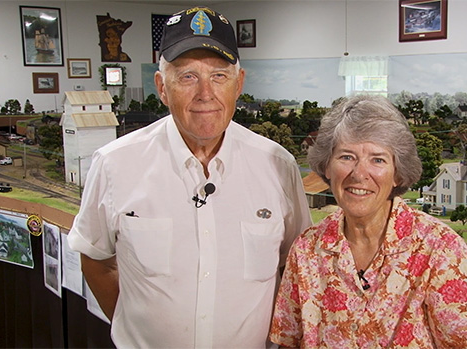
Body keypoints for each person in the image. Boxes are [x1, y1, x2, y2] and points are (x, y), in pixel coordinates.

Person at [68, 6, 312, 348]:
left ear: (238, 84)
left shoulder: (278, 166)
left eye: (219, 76)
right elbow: (96, 258)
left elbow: (295, 269)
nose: (205, 94)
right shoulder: (114, 164)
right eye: (187, 77)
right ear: (162, 88)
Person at [269, 95, 467, 348]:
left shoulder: (440, 247)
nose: (358, 174)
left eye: (377, 160)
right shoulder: (305, 250)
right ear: (326, 167)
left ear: (397, 174)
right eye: (346, 157)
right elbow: (287, 343)